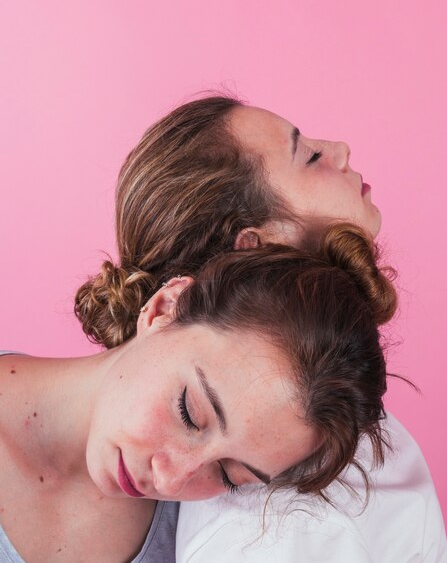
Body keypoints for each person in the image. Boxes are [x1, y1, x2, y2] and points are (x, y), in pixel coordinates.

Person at [73, 95, 445, 562]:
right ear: (252, 250)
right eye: (309, 156)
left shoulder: (305, 477)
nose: (342, 149)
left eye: (232, 476)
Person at [1, 225, 393, 563]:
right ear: (163, 307)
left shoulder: (208, 544)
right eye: (188, 414)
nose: (171, 482)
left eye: (227, 474)